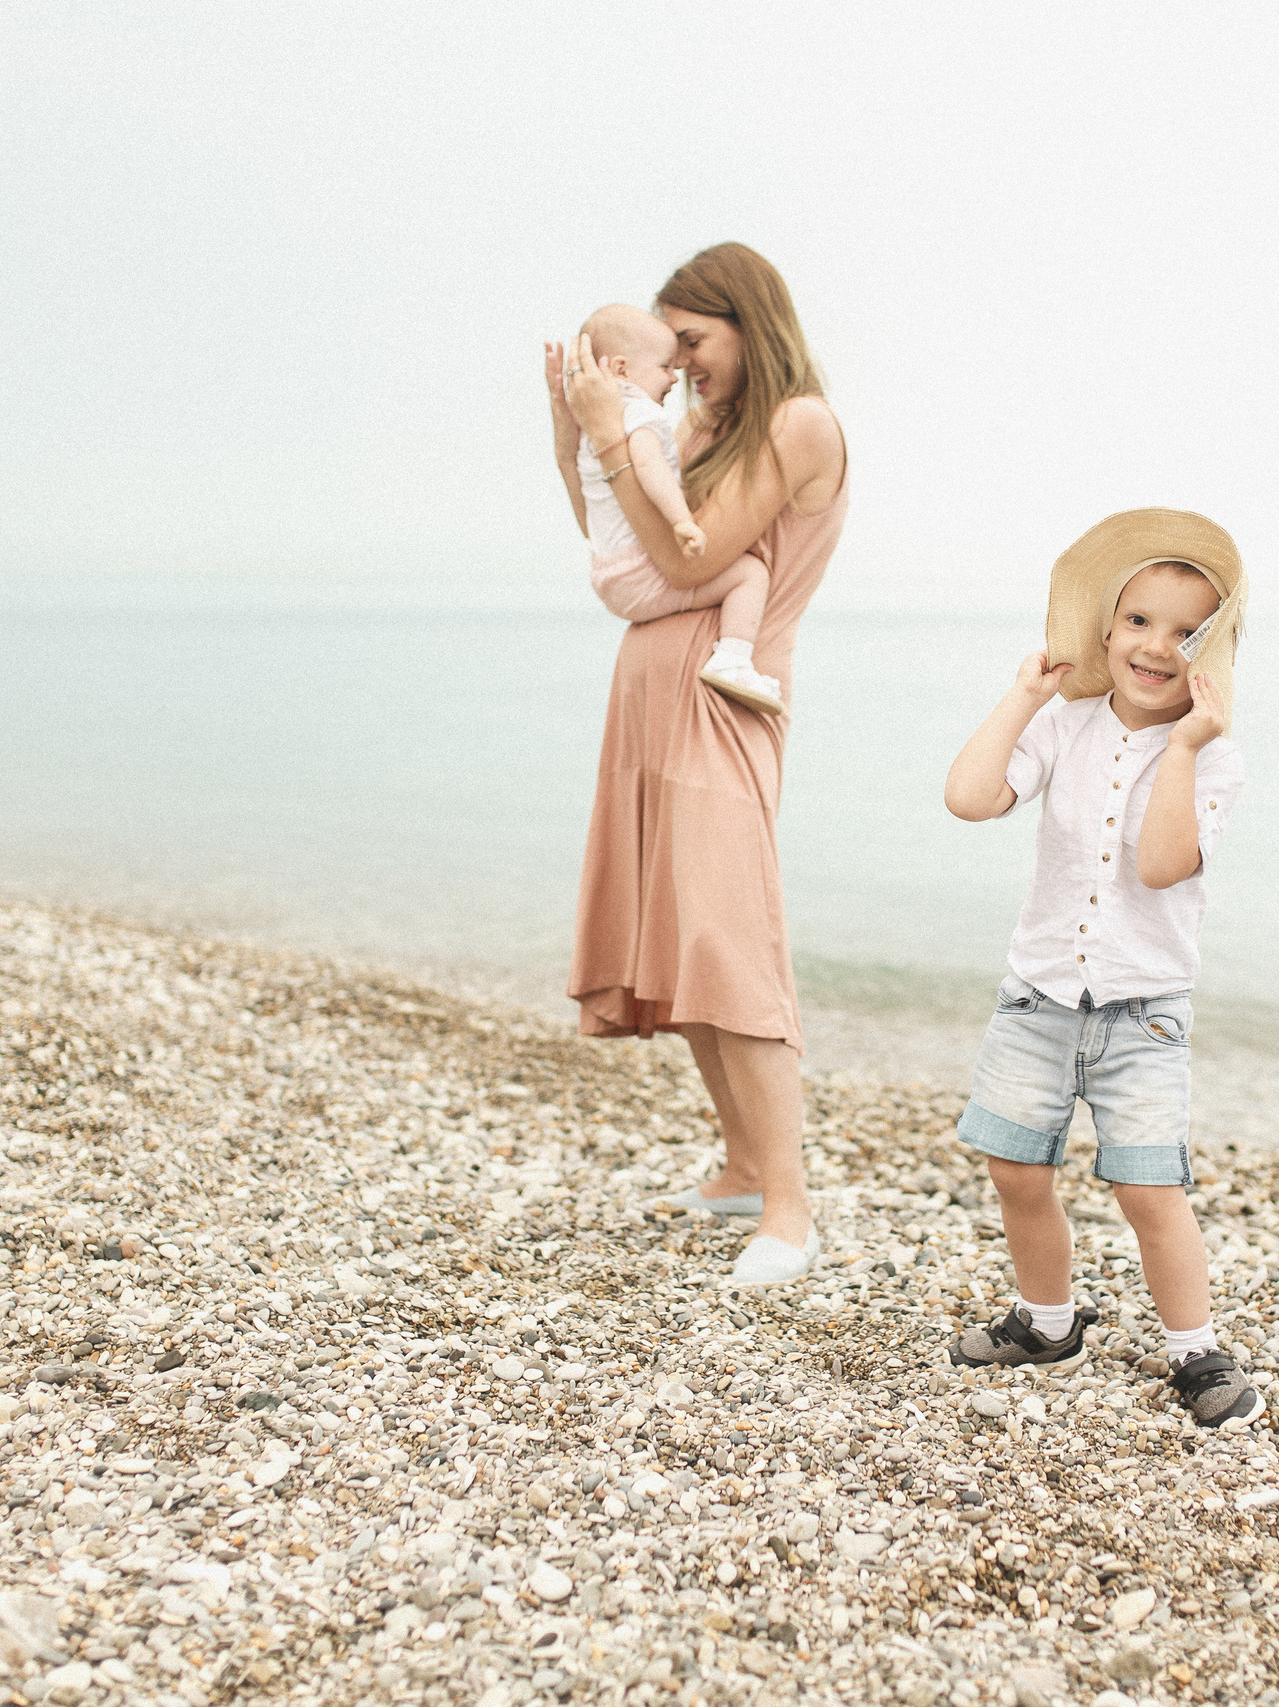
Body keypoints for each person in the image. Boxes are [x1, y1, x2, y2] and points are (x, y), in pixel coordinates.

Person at [544, 243, 848, 1288]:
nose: (678, 364)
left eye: (692, 341)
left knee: (729, 943)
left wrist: (612, 440)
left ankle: (792, 1212)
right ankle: (740, 1166)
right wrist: (573, 426)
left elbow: (687, 560)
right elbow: (610, 522)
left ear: (746, 323)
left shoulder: (796, 423)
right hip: (648, 695)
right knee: (678, 940)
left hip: (726, 702)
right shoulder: (701, 429)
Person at [937, 509, 1266, 1428]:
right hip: (1037, 997)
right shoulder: (1066, 724)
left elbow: (1161, 863)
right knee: (1015, 1168)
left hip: (1143, 1013)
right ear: (1106, 629)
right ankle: (1047, 1325)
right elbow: (969, 797)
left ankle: (1195, 1350)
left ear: (1211, 653)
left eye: (1186, 632)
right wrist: (1023, 698)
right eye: (1139, 621)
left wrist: (1189, 743)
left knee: (1146, 1185)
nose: (1156, 645)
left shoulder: (1214, 759)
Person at [557, 304, 784, 716]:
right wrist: (681, 520)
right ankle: (734, 658)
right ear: (623, 369)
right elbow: (648, 464)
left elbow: (581, 484)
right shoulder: (641, 414)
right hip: (639, 574)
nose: (674, 374)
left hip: (609, 573)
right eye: (664, 364)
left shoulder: (593, 423)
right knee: (751, 573)